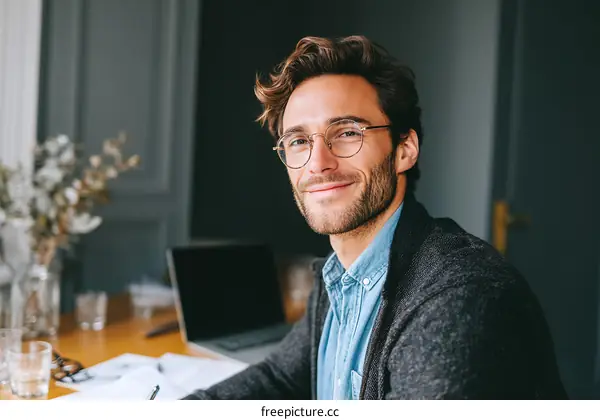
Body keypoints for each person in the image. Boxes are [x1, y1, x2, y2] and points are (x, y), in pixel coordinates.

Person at [182, 35, 567, 400]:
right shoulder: (339, 276)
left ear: (404, 149)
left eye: (347, 132)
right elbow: (281, 378)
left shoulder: (459, 297)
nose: (318, 163)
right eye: (299, 141)